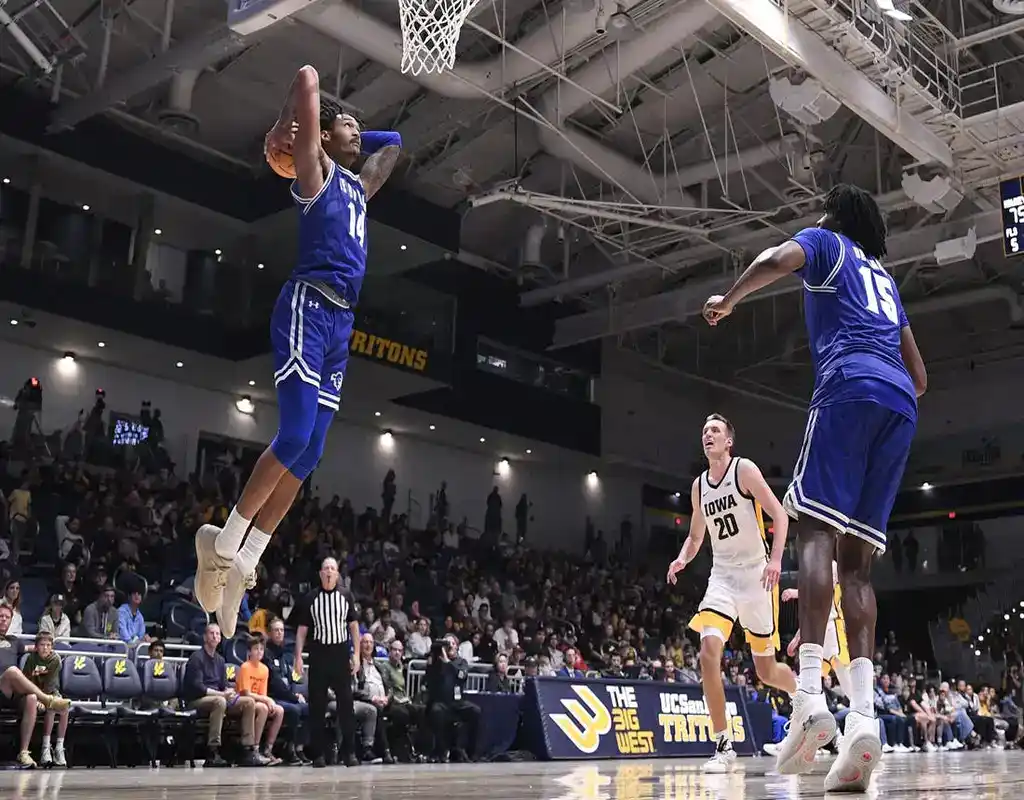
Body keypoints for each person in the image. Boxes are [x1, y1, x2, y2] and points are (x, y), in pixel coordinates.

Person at [702, 184, 927, 791]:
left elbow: (774, 260)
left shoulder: (827, 244)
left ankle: (807, 699)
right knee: (859, 568)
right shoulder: (884, 278)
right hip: (900, 406)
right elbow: (921, 375)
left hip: (848, 388)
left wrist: (730, 297)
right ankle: (863, 715)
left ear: (836, 216)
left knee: (813, 531)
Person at [193, 64, 402, 636]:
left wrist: (357, 133)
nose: (360, 138)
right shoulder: (315, 173)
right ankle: (222, 543)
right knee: (291, 435)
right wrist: (288, 128)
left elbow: (397, 145)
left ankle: (246, 560)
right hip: (307, 307)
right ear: (325, 136)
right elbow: (306, 75)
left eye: (360, 132)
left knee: (309, 455)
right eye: (349, 130)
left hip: (341, 325)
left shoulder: (360, 186)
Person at [666, 413, 796, 772]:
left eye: (715, 431)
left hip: (758, 575)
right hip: (721, 577)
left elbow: (780, 516)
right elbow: (696, 536)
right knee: (709, 651)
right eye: (705, 430)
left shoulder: (744, 470)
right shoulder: (699, 486)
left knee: (766, 670)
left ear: (728, 442)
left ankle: (804, 698)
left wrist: (777, 561)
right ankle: (723, 744)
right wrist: (681, 559)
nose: (708, 435)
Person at [292, 557, 361, 768]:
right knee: (317, 707)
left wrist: (356, 654)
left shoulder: (346, 595)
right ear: (320, 573)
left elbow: (354, 627)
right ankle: (318, 755)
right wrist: (297, 657)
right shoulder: (310, 598)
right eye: (326, 568)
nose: (329, 572)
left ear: (338, 574)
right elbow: (302, 630)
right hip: (319, 653)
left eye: (333, 568)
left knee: (346, 705)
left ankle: (349, 753)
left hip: (340, 653)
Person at [0, 604, 71, 768]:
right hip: (1, 684)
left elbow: (36, 647)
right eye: (0, 616)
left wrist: (48, 650)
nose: (3, 620)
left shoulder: (14, 642)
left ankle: (23, 752)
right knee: (12, 671)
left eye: (7, 617)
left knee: (31, 698)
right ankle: (47, 700)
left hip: (12, 692)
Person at [22, 631, 70, 767]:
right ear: (36, 647)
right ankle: (45, 747)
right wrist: (37, 700)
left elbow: (50, 684)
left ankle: (59, 747)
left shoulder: (55, 659)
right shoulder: (31, 659)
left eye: (49, 645)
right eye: (42, 645)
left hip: (50, 692)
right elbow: (26, 681)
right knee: (51, 709)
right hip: (33, 693)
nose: (45, 648)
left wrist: (43, 700)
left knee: (63, 707)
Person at [236, 634, 285, 765]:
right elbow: (245, 693)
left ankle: (268, 749)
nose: (259, 652)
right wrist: (266, 700)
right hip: (244, 702)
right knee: (263, 708)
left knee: (279, 710)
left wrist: (267, 700)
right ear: (249, 652)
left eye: (261, 649)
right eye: (256, 649)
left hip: (258, 700)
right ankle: (255, 749)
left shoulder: (264, 669)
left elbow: (262, 693)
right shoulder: (245, 667)